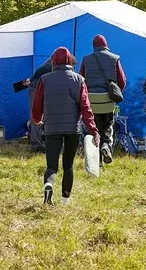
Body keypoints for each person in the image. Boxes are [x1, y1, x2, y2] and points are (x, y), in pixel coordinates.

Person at [31, 47, 99, 205]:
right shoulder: (79, 79)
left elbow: (37, 104)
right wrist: (93, 129)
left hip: (51, 128)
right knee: (68, 165)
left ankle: (48, 184)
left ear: (53, 61)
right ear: (69, 61)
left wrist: (36, 119)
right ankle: (64, 200)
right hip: (72, 129)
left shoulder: (45, 79)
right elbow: (86, 108)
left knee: (51, 165)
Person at [80, 34, 126, 165]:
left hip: (91, 102)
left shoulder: (86, 59)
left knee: (93, 130)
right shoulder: (115, 58)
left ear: (93, 46)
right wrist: (114, 95)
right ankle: (106, 146)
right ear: (106, 45)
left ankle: (95, 161)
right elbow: (122, 80)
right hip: (107, 101)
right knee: (107, 127)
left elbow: (81, 80)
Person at [23, 58, 52, 152]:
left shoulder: (50, 64)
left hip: (38, 89)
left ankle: (37, 141)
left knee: (37, 115)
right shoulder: (49, 65)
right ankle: (36, 144)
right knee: (36, 114)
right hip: (35, 89)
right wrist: (31, 79)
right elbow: (39, 71)